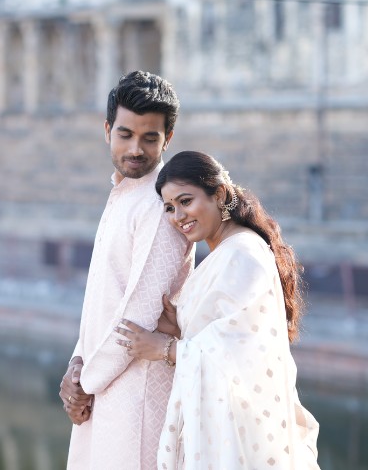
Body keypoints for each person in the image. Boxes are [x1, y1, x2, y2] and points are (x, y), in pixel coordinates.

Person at [115, 151, 320, 469]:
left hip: (243, 432)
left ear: (219, 194)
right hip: (223, 421)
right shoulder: (225, 253)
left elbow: (243, 353)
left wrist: (166, 349)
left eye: (186, 201)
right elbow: (225, 333)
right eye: (170, 207)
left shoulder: (243, 254)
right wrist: (181, 328)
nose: (178, 216)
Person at [59, 71, 194, 469]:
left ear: (167, 139)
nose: (136, 148)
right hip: (102, 386)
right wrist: (75, 365)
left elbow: (138, 313)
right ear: (107, 131)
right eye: (125, 134)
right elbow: (100, 302)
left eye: (149, 138)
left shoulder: (159, 204)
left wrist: (82, 385)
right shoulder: (123, 193)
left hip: (138, 395)